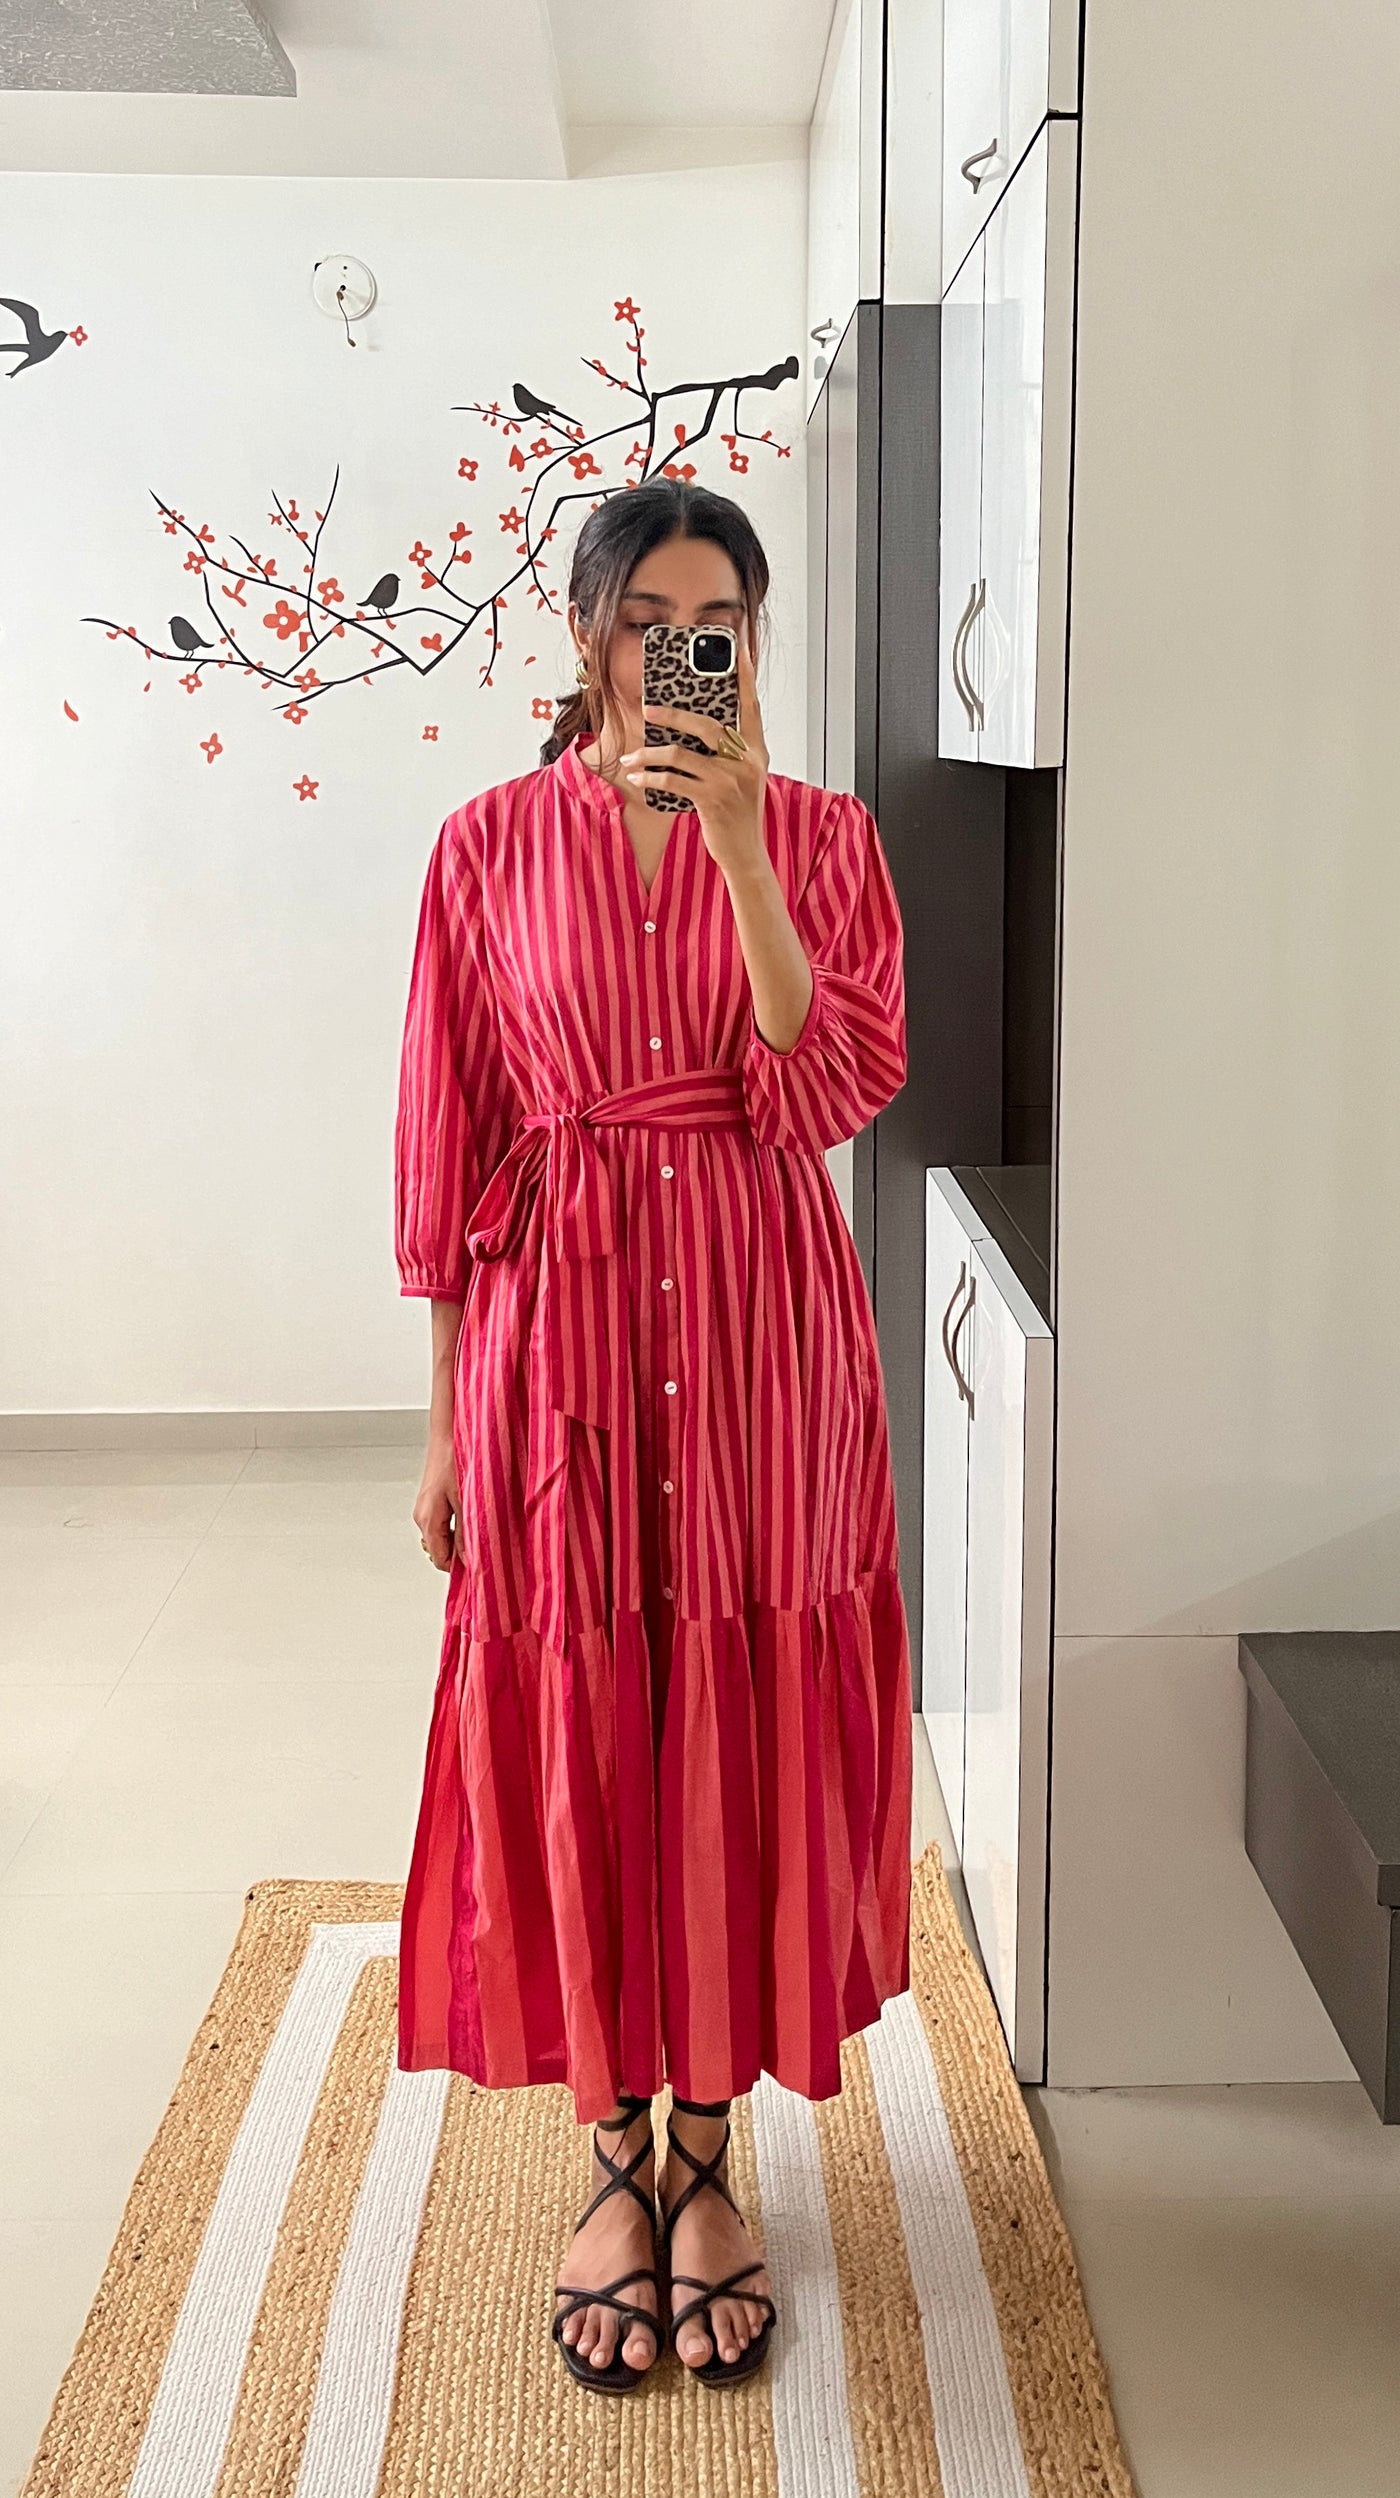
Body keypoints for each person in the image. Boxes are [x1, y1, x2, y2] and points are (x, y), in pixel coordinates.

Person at [393, 478, 913, 2395]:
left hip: (768, 1340)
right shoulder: (483, 847)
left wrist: (747, 854)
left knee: (737, 1718)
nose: (680, 649)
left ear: (751, 644)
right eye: (647, 618)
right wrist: (445, 1425)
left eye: (718, 623)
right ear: (586, 632)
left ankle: (710, 2156)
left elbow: (831, 1084)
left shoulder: (827, 838)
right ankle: (616, 2158)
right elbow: (448, 1142)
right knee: (584, 1722)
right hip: (558, 1340)